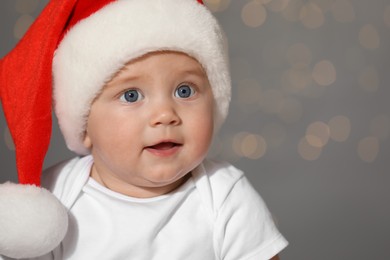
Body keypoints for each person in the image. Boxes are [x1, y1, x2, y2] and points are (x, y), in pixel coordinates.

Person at [0, 0, 288, 259]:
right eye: (131, 95)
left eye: (184, 90)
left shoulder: (224, 194)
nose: (165, 115)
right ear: (85, 123)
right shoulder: (56, 197)